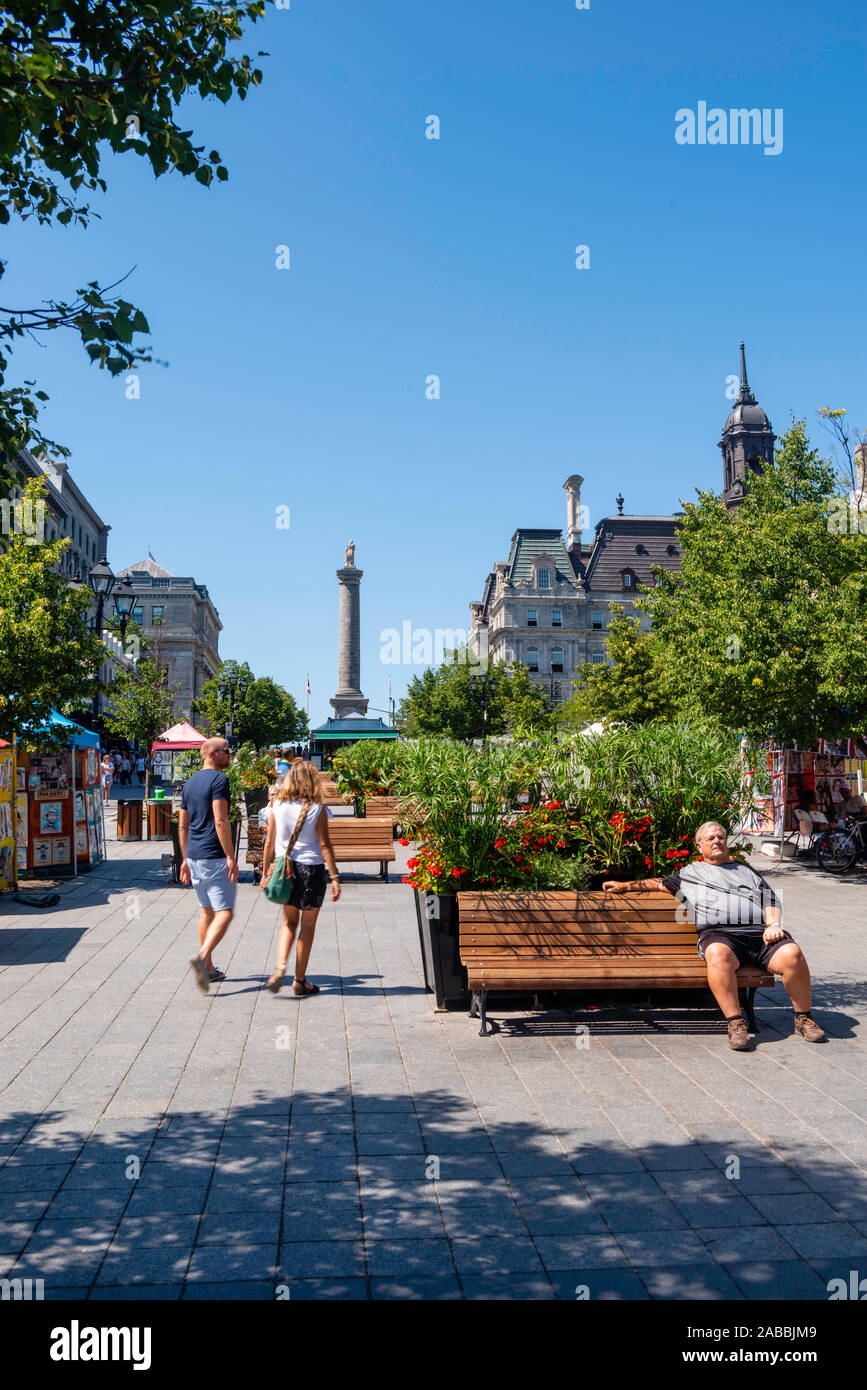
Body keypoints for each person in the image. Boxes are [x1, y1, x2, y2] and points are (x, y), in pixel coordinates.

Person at [602, 821, 826, 1051]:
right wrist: (626, 886)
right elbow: (658, 884)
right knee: (718, 955)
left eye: (720, 837)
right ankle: (736, 1023)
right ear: (700, 846)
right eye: (710, 838)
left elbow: (770, 900)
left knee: (793, 954)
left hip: (759, 935)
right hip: (720, 935)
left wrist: (773, 924)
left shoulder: (745, 870)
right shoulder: (690, 873)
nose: (717, 840)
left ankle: (803, 1018)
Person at [261, 761, 339, 995]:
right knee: (307, 925)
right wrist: (334, 876)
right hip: (311, 870)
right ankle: (299, 980)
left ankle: (280, 966)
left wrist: (265, 872)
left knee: (289, 923)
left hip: (286, 869)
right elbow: (324, 844)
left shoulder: (278, 805)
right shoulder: (318, 808)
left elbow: (270, 841)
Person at [178, 736, 239, 990]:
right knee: (225, 913)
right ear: (213, 753)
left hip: (194, 855)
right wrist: (231, 856)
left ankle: (210, 968)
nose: (230, 755)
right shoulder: (219, 780)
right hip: (214, 855)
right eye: (227, 751)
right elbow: (221, 819)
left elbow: (182, 825)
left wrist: (184, 859)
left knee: (206, 911)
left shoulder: (189, 782)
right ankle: (203, 959)